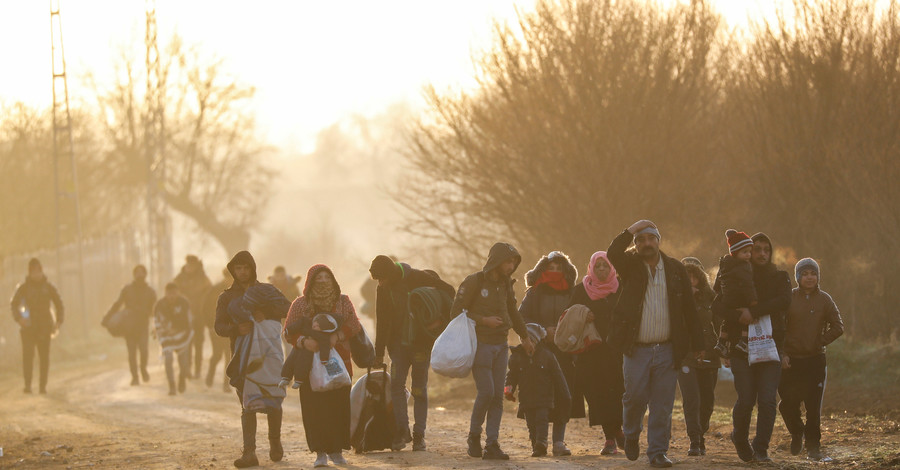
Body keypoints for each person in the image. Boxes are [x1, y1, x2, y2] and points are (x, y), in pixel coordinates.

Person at [606, 220, 703, 468]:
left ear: (659, 241)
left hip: (668, 348)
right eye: (641, 240)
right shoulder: (629, 267)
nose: (647, 244)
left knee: (662, 404)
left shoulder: (675, 269)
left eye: (651, 239)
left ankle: (658, 452)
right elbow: (612, 253)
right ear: (636, 245)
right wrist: (632, 228)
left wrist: (698, 343)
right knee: (635, 397)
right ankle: (631, 433)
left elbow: (690, 310)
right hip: (635, 348)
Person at [450, 242, 534, 461]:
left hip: (500, 346)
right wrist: (483, 320)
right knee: (486, 392)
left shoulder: (506, 285)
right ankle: (474, 435)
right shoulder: (474, 281)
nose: (511, 265)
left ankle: (492, 444)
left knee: (497, 396)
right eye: (508, 261)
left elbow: (513, 312)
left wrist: (525, 337)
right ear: (497, 261)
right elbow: (456, 312)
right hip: (480, 345)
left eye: (514, 262)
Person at [711, 232, 791, 463]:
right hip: (740, 346)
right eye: (758, 249)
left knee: (767, 399)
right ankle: (740, 438)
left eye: (767, 249)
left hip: (771, 346)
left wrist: (754, 311)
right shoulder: (734, 274)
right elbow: (716, 306)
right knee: (746, 398)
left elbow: (785, 301)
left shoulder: (779, 277)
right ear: (747, 251)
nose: (763, 254)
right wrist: (738, 316)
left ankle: (761, 448)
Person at [369, 255, 455, 451]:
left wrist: (439, 321)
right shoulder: (382, 288)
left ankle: (419, 435)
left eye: (382, 279)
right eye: (377, 280)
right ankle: (402, 432)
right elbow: (381, 320)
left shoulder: (417, 277)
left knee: (419, 389)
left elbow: (449, 291)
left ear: (390, 273)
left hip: (420, 345)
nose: (380, 284)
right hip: (397, 345)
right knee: (397, 386)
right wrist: (379, 353)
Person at [215, 251, 290, 468]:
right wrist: (236, 329)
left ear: (253, 268)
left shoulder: (266, 291)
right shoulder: (227, 297)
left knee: (273, 398)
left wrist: (263, 311)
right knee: (247, 405)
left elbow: (287, 307)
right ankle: (250, 452)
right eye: (238, 268)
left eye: (246, 268)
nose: (242, 272)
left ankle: (274, 442)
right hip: (243, 357)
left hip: (269, 355)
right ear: (233, 270)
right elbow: (218, 326)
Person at [283, 264, 362, 468]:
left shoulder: (342, 301)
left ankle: (336, 451)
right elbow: (288, 332)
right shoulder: (300, 304)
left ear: (333, 280)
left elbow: (354, 324)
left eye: (327, 277)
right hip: (309, 366)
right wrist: (304, 342)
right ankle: (319, 452)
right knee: (314, 409)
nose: (324, 281)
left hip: (339, 364)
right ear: (310, 282)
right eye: (319, 278)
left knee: (339, 408)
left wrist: (338, 335)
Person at [780, 258, 843, 462]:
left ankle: (814, 447)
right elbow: (778, 328)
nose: (809, 277)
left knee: (813, 407)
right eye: (805, 274)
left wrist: (820, 342)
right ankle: (798, 432)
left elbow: (838, 326)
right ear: (798, 276)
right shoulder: (788, 298)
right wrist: (782, 353)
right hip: (790, 361)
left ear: (818, 277)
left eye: (813, 274)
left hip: (815, 360)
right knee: (787, 405)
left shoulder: (825, 299)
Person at [518, 250, 577, 456]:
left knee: (562, 395)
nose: (554, 272)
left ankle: (559, 442)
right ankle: (537, 440)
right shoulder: (534, 293)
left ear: (565, 270)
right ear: (543, 269)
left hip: (565, 352)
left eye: (558, 268)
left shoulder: (571, 292)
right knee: (536, 397)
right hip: (537, 352)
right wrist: (543, 332)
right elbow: (520, 319)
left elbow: (577, 316)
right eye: (550, 268)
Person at [568, 251, 624, 456]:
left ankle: (618, 428)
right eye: (597, 266)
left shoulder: (620, 289)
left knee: (618, 391)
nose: (601, 269)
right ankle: (610, 438)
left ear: (612, 268)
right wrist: (583, 314)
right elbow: (568, 316)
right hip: (590, 353)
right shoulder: (581, 290)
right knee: (596, 394)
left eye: (605, 266)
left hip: (616, 350)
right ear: (591, 267)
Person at [504, 323, 571, 457]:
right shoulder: (516, 357)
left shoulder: (547, 356)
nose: (526, 344)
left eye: (531, 340)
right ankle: (535, 443)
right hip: (526, 398)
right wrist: (508, 390)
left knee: (542, 420)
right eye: (523, 341)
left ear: (537, 341)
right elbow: (511, 376)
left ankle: (541, 444)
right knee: (531, 424)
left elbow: (558, 376)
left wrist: (566, 395)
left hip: (544, 398)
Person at [678, 257, 721, 456]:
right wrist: (683, 298)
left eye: (694, 276)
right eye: (686, 276)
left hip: (710, 354)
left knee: (707, 400)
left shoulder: (712, 298)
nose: (690, 279)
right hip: (685, 356)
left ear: (700, 277)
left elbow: (721, 324)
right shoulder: (674, 298)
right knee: (691, 398)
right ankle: (694, 439)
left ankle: (701, 431)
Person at [10, 258, 64, 394]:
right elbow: (14, 304)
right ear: (29, 273)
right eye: (33, 272)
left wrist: (58, 321)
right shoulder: (23, 289)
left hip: (45, 328)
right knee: (28, 357)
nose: (36, 274)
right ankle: (28, 385)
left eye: (38, 271)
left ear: (41, 271)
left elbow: (59, 304)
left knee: (44, 358)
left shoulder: (48, 288)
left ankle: (42, 387)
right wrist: (19, 319)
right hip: (28, 327)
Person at [105, 264, 157, 386]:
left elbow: (156, 310)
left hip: (143, 325)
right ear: (134, 275)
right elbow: (118, 304)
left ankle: (143, 369)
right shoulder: (127, 290)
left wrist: (156, 323)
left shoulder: (150, 292)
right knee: (132, 353)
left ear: (145, 274)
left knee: (144, 350)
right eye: (137, 272)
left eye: (142, 272)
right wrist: (107, 318)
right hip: (129, 326)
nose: (140, 275)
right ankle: (135, 377)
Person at [714, 230, 758, 357]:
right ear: (735, 252)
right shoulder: (744, 266)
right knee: (747, 317)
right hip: (740, 299)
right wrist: (753, 301)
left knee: (727, 321)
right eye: (745, 252)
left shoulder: (725, 264)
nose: (748, 255)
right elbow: (748, 285)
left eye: (750, 252)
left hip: (727, 300)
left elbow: (716, 287)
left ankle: (721, 342)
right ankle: (744, 342)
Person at [174, 254, 212, 379]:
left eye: (192, 265)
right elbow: (173, 295)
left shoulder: (203, 279)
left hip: (199, 316)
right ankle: (187, 369)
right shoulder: (179, 278)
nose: (189, 267)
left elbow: (210, 296)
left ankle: (197, 370)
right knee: (186, 343)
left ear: (196, 265)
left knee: (198, 344)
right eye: (188, 265)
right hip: (184, 316)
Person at [279, 313, 338, 389]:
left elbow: (325, 346)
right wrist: (289, 330)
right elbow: (297, 325)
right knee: (290, 360)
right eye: (316, 324)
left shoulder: (322, 335)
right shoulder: (305, 321)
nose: (315, 326)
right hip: (298, 346)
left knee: (303, 364)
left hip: (308, 351)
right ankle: (285, 377)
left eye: (319, 327)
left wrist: (324, 358)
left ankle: (298, 380)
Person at [153, 282, 193, 396]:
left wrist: (177, 329)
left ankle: (182, 378)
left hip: (182, 335)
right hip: (167, 336)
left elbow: (188, 321)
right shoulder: (159, 305)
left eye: (174, 293)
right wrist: (164, 330)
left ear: (178, 293)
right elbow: (157, 321)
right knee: (168, 360)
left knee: (183, 361)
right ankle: (172, 386)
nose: (172, 296)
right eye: (169, 293)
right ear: (165, 293)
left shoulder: (184, 303)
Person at [202, 268, 232, 391]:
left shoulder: (240, 290)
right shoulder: (215, 290)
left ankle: (226, 384)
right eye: (228, 277)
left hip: (232, 328)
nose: (230, 280)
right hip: (217, 327)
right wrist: (210, 325)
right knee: (217, 354)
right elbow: (205, 308)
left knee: (229, 356)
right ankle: (211, 373)